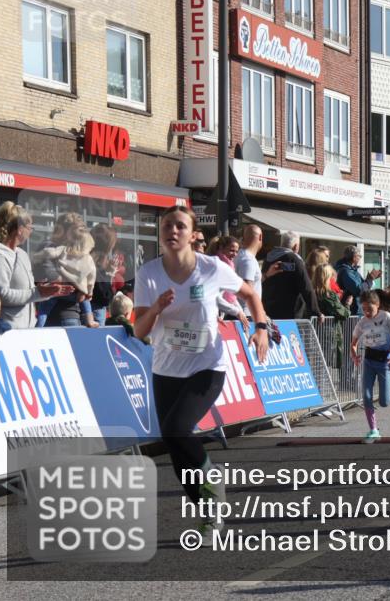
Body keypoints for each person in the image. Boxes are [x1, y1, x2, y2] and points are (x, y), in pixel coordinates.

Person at [133, 205, 269, 539]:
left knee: (178, 429)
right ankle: (208, 515)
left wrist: (261, 327)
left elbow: (250, 294)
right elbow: (139, 331)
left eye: (180, 226)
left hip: (207, 365)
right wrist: (156, 309)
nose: (173, 231)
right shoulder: (149, 273)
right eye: (167, 225)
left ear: (193, 234)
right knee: (173, 440)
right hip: (166, 367)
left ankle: (212, 485)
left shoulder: (211, 268)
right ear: (161, 232)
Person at [350, 291, 390, 444]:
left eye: (370, 309)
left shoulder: (386, 317)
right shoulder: (362, 322)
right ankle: (373, 430)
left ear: (378, 305)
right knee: (367, 396)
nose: (367, 312)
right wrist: (354, 356)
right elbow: (353, 343)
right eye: (364, 309)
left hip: (384, 362)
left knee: (384, 402)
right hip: (369, 361)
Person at [32, 213, 99, 328]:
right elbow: (51, 275)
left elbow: (48, 259)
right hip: (62, 315)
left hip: (68, 311)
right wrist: (84, 287)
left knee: (44, 308)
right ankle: (89, 319)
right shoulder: (54, 246)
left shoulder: (62, 249)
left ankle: (39, 326)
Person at [262, 231, 320, 320]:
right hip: (290, 312)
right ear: (296, 246)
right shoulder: (294, 259)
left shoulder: (269, 258)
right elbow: (306, 286)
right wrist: (315, 311)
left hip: (268, 309)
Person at [313, 264, 351, 369]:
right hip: (329, 332)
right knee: (326, 363)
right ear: (327, 277)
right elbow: (343, 314)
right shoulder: (328, 294)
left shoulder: (311, 293)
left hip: (315, 330)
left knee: (318, 362)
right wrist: (347, 304)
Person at [209, 235, 249, 329]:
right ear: (221, 249)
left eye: (236, 251)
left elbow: (231, 296)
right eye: (231, 250)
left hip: (217, 319)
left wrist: (242, 315)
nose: (234, 254)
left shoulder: (228, 267)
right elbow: (214, 298)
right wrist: (237, 312)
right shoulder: (215, 267)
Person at [336, 246, 381, 316]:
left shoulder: (352, 271)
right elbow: (358, 290)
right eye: (359, 256)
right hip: (352, 309)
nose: (360, 258)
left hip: (357, 308)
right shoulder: (346, 272)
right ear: (354, 257)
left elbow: (363, 287)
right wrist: (369, 280)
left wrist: (370, 279)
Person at [89, 223, 119, 326]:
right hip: (95, 311)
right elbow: (105, 296)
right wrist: (109, 273)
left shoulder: (87, 260)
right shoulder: (97, 265)